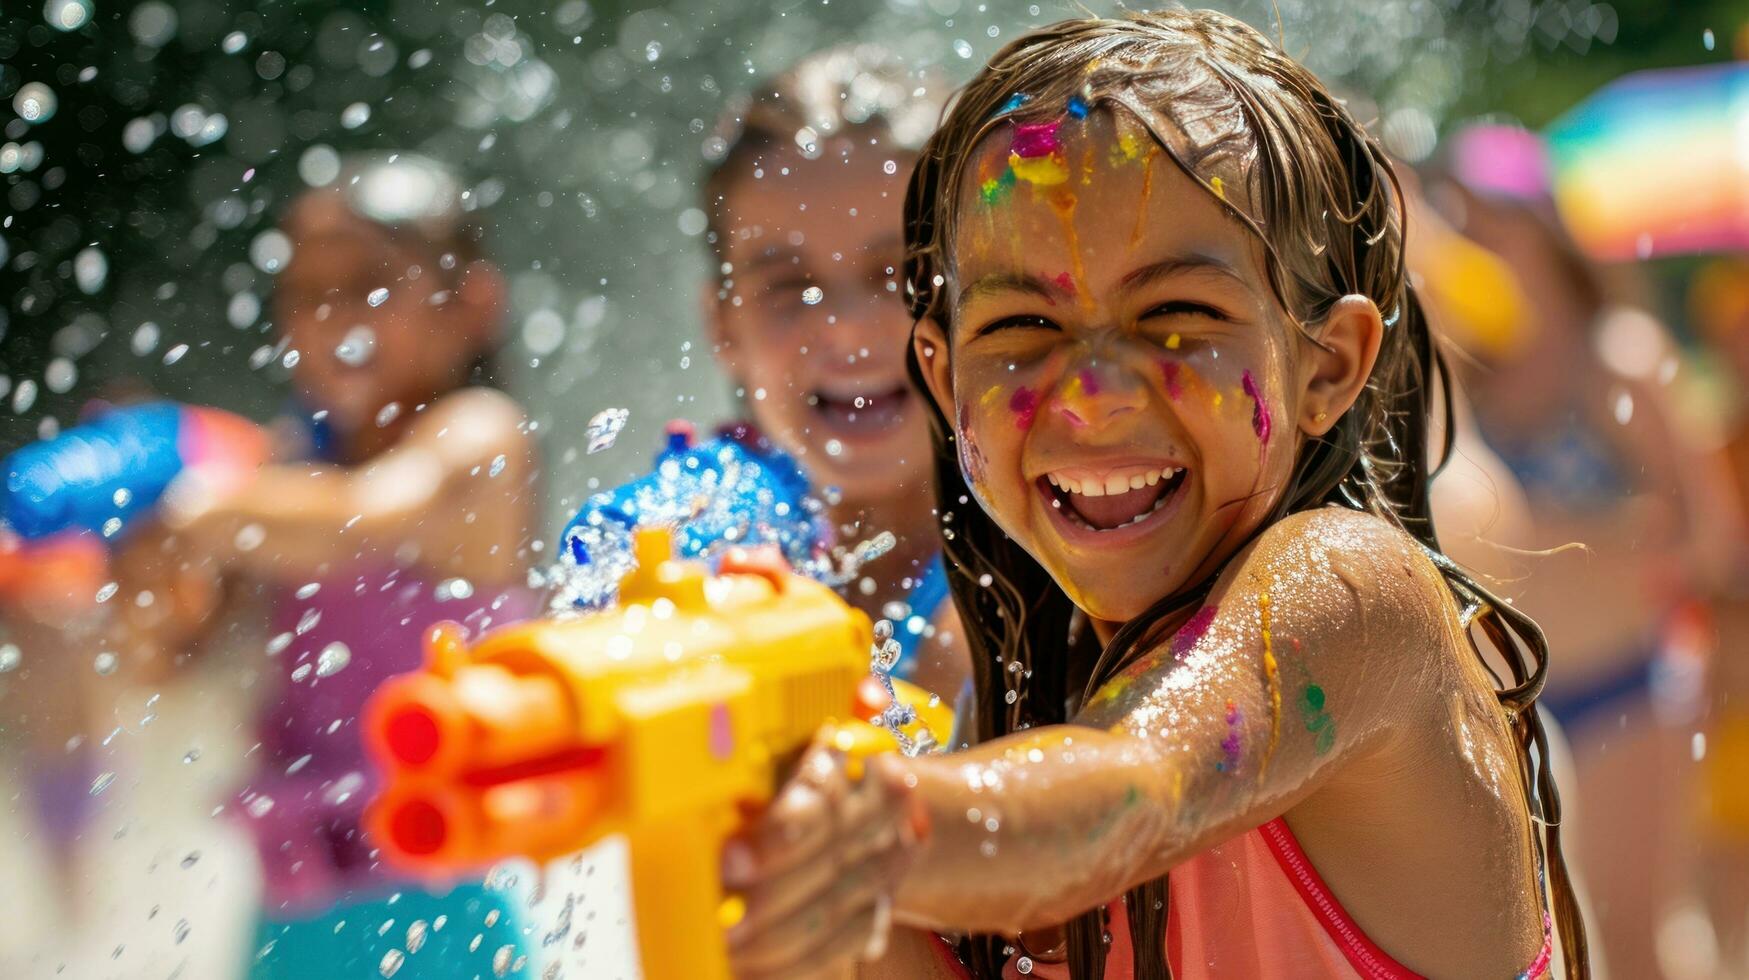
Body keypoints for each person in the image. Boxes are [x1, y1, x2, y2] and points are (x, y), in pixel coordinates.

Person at [719, 12, 1585, 978]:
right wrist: (765, 796)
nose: (1090, 397)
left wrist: (872, 828)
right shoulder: (1030, 711)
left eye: (1175, 314)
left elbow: (1138, 787)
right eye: (1022, 326)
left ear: (1327, 366)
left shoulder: (1350, 601)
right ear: (943, 373)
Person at [109, 153, 540, 979]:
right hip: (294, 902)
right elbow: (168, 659)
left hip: (447, 893)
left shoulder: (479, 437)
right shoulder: (281, 474)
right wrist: (143, 574)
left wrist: (199, 509)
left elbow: (367, 519)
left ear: (472, 304)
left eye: (372, 284)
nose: (333, 317)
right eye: (306, 294)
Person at [1435, 124, 1732, 978]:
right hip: (1512, 709)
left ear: (1542, 227)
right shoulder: (1467, 374)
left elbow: (1711, 536)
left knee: (1630, 940)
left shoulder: (1619, 363)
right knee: (1559, 954)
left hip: (1624, 690)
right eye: (1459, 222)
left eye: (1491, 218)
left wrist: (1575, 531)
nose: (1475, 240)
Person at [701, 47, 969, 702]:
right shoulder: (695, 531)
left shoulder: (1046, 573)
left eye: (898, 275)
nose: (846, 332)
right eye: (788, 285)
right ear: (723, 327)